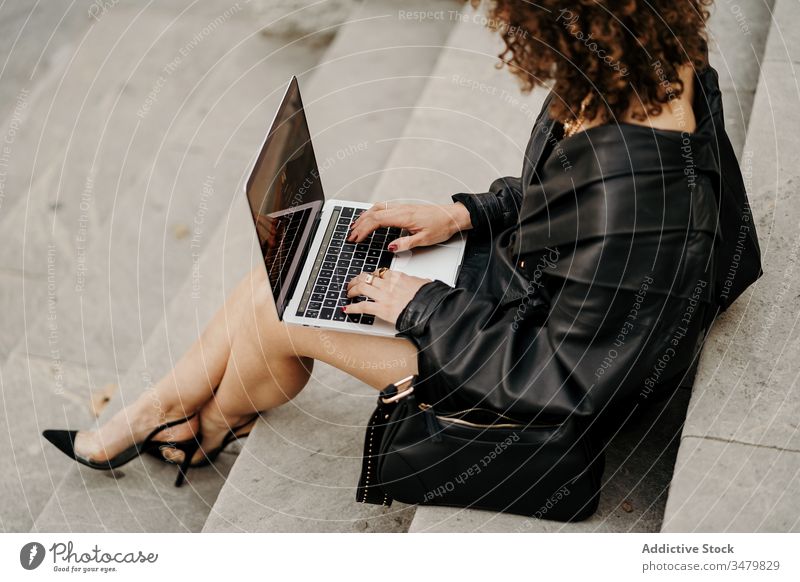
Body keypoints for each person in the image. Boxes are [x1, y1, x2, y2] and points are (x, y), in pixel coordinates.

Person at [44, 0, 761, 489]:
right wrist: (467, 215)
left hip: (534, 402)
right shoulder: (650, 71)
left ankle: (177, 426)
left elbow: (562, 381)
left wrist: (421, 306)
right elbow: (566, 198)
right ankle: (182, 425)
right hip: (537, 301)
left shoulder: (637, 192)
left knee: (284, 306)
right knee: (296, 274)